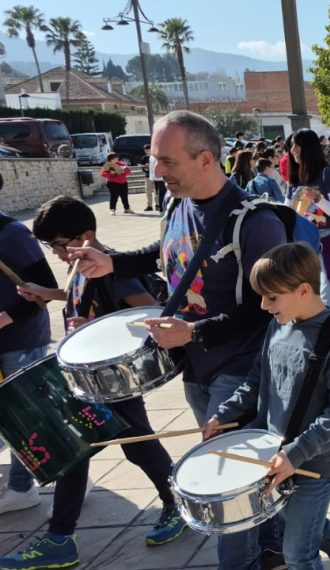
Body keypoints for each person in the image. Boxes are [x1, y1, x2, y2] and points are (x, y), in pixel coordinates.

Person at [67, 111, 288, 570]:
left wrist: (194, 331)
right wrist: (112, 263)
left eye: (166, 161)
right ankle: (277, 546)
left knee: (225, 487)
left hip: (243, 369)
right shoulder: (176, 206)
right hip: (197, 367)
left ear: (205, 159)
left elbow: (266, 308)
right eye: (154, 159)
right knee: (247, 478)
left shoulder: (255, 222)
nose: (156, 171)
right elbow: (165, 253)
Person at [1, 197, 188, 569]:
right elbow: (78, 301)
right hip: (88, 379)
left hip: (113, 379)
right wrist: (50, 294)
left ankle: (177, 505)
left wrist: (102, 330)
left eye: (58, 244)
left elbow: (150, 311)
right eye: (50, 246)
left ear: (87, 236)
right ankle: (61, 537)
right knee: (75, 452)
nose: (55, 253)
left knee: (136, 446)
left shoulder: (116, 270)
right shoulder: (81, 268)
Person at [203, 244, 330, 570]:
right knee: (305, 525)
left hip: (315, 462)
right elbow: (258, 378)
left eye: (272, 297)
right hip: (273, 453)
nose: (263, 305)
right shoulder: (278, 324)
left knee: (299, 553)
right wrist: (224, 414)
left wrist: (295, 453)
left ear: (303, 290)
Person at [0, 173, 58, 517]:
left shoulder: (12, 234)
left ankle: (23, 488)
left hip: (20, 341)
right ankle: (71, 474)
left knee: (25, 418)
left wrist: (4, 317)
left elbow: (45, 288)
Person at [288, 128, 330, 311]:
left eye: (297, 145)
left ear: (308, 147)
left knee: (328, 299)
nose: (293, 150)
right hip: (304, 244)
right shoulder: (297, 178)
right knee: (309, 299)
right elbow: (292, 213)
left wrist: (317, 198)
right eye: (292, 146)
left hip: (329, 243)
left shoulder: (328, 175)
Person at [143, 144, 157, 211]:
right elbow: (143, 168)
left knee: (156, 191)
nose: (147, 151)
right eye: (145, 150)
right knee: (148, 191)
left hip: (156, 176)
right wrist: (145, 168)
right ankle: (149, 205)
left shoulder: (155, 157)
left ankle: (158, 204)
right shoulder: (144, 158)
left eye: (148, 149)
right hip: (148, 176)